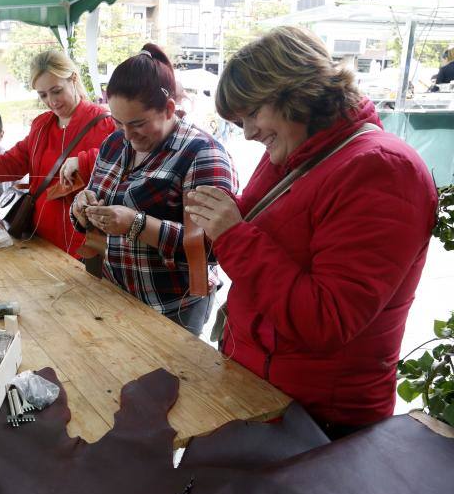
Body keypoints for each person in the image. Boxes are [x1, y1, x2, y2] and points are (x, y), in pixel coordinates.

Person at [185, 26, 437, 438]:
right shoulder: (296, 148)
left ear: (294, 93)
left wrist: (232, 234)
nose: (247, 133)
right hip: (260, 389)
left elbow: (327, 320)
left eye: (252, 114)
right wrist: (218, 216)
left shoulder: (383, 170)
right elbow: (262, 231)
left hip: (319, 419)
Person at [70, 44, 237, 336]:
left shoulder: (202, 154)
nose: (127, 135)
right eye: (117, 122)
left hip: (172, 306)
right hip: (113, 290)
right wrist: (82, 207)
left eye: (137, 124)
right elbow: (96, 204)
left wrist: (137, 224)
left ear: (169, 108)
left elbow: (213, 247)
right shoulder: (114, 143)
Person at [0, 50, 115, 257]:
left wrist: (85, 161)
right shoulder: (42, 126)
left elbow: (125, 164)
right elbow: (9, 164)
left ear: (73, 79)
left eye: (56, 91)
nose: (52, 101)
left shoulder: (105, 124)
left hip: (84, 246)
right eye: (43, 95)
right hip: (38, 240)